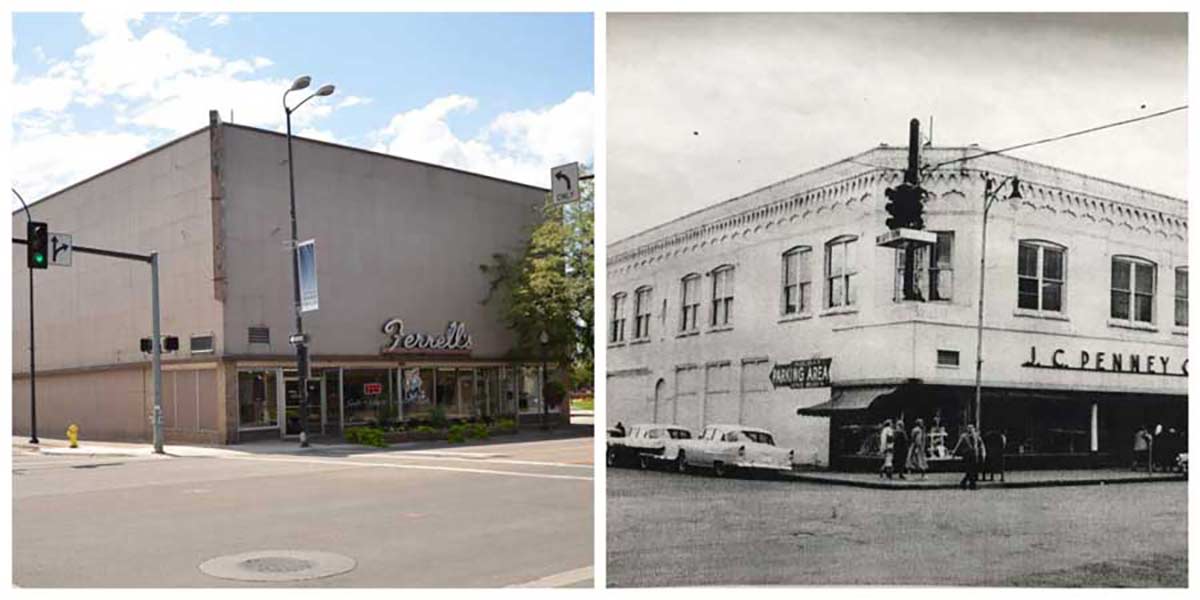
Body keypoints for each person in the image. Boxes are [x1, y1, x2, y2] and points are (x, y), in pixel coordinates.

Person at [951, 424, 985, 490]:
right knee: (970, 470)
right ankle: (972, 485)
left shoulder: (976, 436)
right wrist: (954, 453)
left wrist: (982, 453)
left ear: (974, 429)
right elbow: (958, 445)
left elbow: (981, 444)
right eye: (969, 428)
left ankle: (963, 482)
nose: (970, 430)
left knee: (972, 470)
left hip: (975, 455)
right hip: (967, 455)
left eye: (971, 428)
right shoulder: (964, 436)